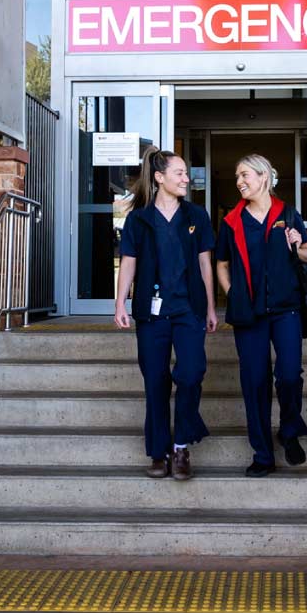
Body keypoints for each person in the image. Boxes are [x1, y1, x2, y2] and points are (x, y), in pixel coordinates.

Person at [114, 148, 217, 481]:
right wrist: (120, 304)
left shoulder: (196, 216)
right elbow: (128, 262)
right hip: (152, 313)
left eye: (186, 173)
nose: (187, 178)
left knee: (190, 373)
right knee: (155, 381)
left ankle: (182, 444)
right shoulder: (138, 219)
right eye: (180, 173)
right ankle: (160, 452)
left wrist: (212, 306)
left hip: (188, 310)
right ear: (159, 178)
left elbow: (205, 263)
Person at [214, 154, 307, 478]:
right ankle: (262, 452)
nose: (240, 181)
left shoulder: (287, 213)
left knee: (288, 375)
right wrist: (232, 293)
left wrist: (298, 245)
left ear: (263, 176)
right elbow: (221, 264)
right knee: (254, 383)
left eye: (244, 175)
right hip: (250, 315)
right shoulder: (232, 222)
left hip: (286, 310)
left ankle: (289, 430)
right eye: (237, 177)